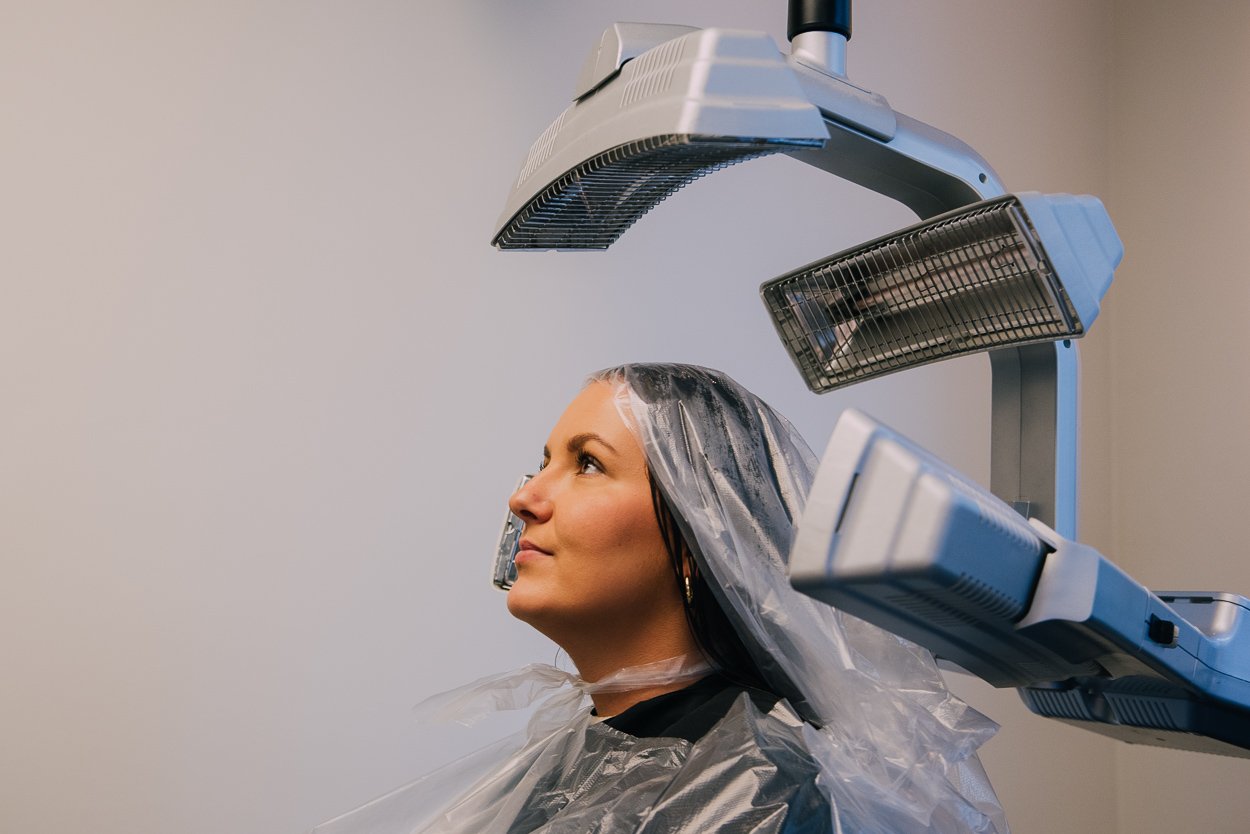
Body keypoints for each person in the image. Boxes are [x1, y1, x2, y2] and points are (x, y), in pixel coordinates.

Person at [316, 363, 1007, 834]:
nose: (524, 496)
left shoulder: (761, 788)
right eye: (545, 462)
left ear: (698, 536)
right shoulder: (591, 754)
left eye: (587, 463)